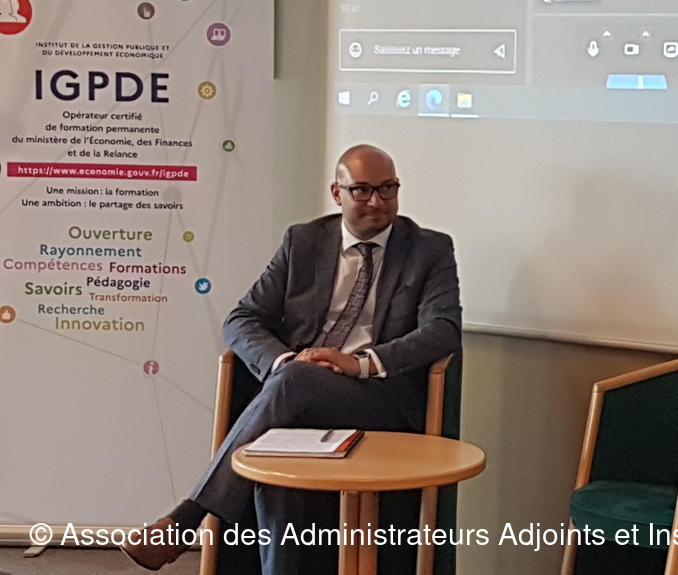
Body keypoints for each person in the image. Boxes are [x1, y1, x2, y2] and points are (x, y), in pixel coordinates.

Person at [123, 144, 462, 573]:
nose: (377, 201)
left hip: (381, 398)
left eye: (388, 188)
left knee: (294, 385)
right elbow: (242, 318)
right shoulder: (303, 242)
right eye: (362, 190)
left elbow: (442, 329)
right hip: (298, 393)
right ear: (337, 193)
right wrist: (282, 362)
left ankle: (188, 519)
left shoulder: (428, 249)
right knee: (277, 438)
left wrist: (358, 363)